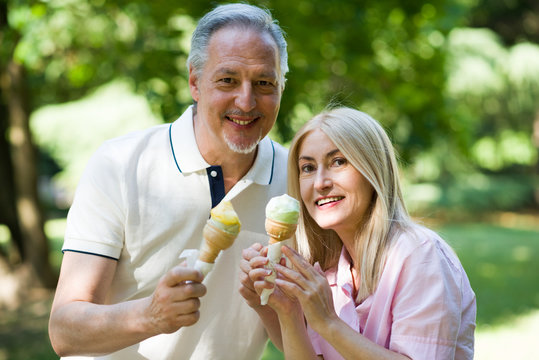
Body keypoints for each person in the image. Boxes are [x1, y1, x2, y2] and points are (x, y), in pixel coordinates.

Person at [49, 3, 290, 359]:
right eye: (227, 80)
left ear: (281, 86)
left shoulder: (299, 180)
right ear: (194, 81)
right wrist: (151, 315)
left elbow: (307, 341)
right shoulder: (120, 165)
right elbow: (64, 331)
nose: (246, 100)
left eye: (264, 83)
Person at [240, 107, 476, 359]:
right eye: (307, 168)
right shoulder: (328, 270)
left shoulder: (420, 255)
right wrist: (283, 310)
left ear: (372, 169)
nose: (320, 183)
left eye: (338, 162)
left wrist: (329, 322)